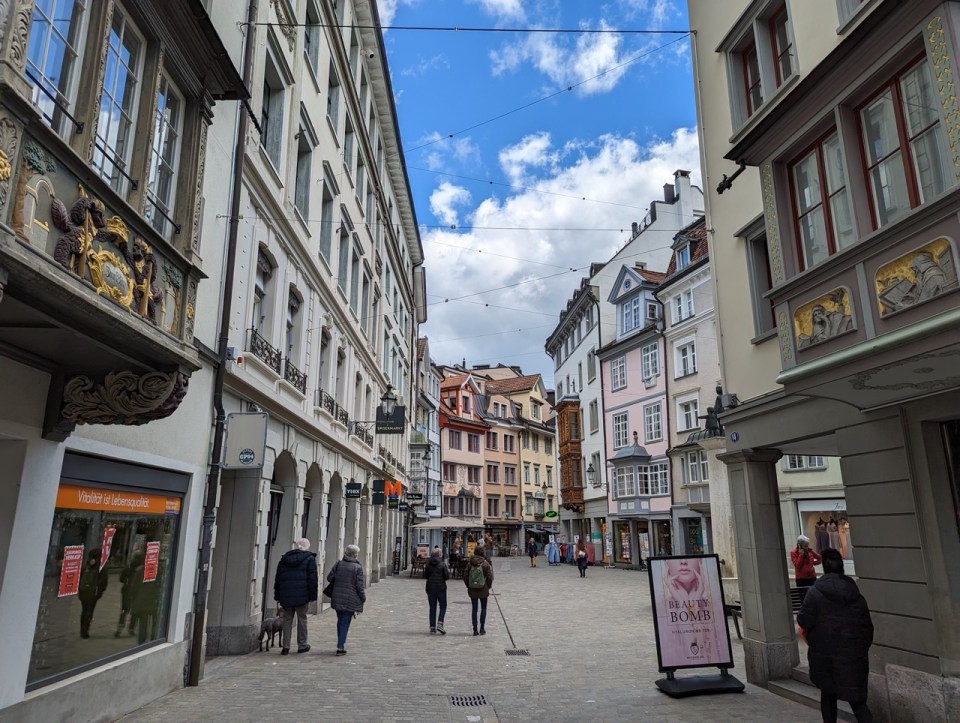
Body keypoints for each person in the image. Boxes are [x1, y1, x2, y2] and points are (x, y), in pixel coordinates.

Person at [797, 548, 874, 723]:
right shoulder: (856, 595)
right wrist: (860, 648)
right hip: (853, 655)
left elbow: (803, 620)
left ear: (824, 567)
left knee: (828, 695)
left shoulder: (815, 593)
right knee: (857, 701)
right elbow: (867, 628)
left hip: (825, 655)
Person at [274, 537, 318, 655]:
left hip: (286, 596)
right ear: (307, 547)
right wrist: (313, 596)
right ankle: (302, 645)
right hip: (302, 595)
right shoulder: (309, 559)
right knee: (302, 619)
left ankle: (286, 646)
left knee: (287, 620)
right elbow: (312, 579)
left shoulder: (284, 559)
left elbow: (278, 579)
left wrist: (277, 596)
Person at [327, 544, 366, 656]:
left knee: (340, 621)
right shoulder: (357, 567)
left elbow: (329, 578)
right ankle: (340, 646)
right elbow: (359, 586)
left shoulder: (338, 564)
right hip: (350, 598)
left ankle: (341, 643)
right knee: (344, 622)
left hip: (337, 597)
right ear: (355, 554)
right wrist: (363, 598)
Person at [78, 548, 108, 638]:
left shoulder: (85, 566)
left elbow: (79, 579)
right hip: (93, 594)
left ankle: (82, 630)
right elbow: (104, 583)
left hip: (83, 592)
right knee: (89, 611)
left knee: (84, 610)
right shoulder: (101, 568)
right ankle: (85, 631)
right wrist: (100, 592)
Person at [464, 546, 494, 636]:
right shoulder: (485, 563)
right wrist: (488, 586)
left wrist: (469, 585)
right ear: (483, 553)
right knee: (483, 608)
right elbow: (490, 577)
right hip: (483, 588)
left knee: (474, 609)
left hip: (472, 589)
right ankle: (482, 628)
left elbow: (465, 576)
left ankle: (475, 629)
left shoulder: (470, 563)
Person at [115, 552, 143, 637]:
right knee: (135, 610)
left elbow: (121, 579)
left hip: (126, 590)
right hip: (137, 591)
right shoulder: (141, 569)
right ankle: (131, 629)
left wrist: (127, 581)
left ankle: (119, 628)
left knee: (124, 610)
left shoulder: (128, 568)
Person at [424, 547, 450, 634]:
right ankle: (440, 623)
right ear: (440, 555)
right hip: (441, 588)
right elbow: (447, 576)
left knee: (432, 607)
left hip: (430, 587)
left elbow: (426, 575)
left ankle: (432, 627)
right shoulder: (442, 564)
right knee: (443, 606)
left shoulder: (428, 564)